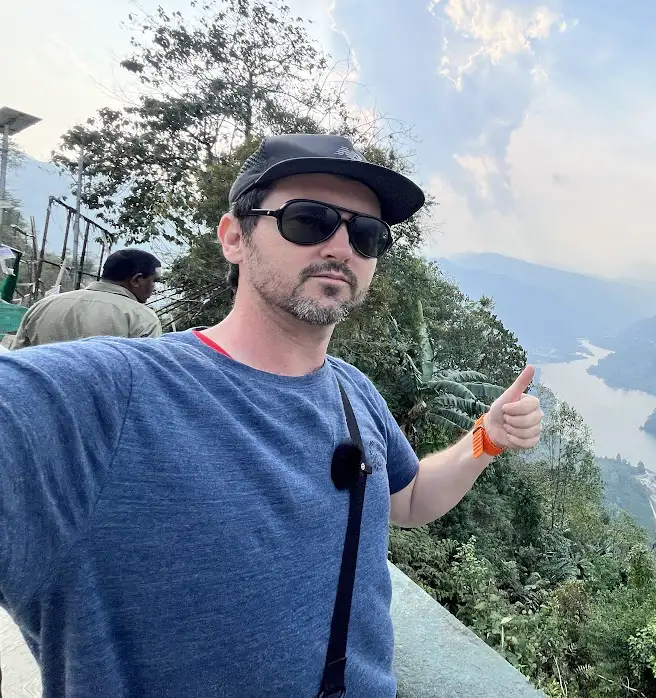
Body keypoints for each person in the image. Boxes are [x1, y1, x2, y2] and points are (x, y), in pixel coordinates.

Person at [0, 134, 544, 698]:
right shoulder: (104, 396)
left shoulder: (353, 393)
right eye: (309, 220)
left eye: (366, 234)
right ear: (235, 238)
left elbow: (408, 501)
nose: (341, 246)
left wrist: (486, 437)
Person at [10, 247, 163, 349]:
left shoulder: (42, 306)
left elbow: (18, 361)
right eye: (154, 281)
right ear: (137, 280)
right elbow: (144, 377)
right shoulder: (142, 319)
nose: (154, 288)